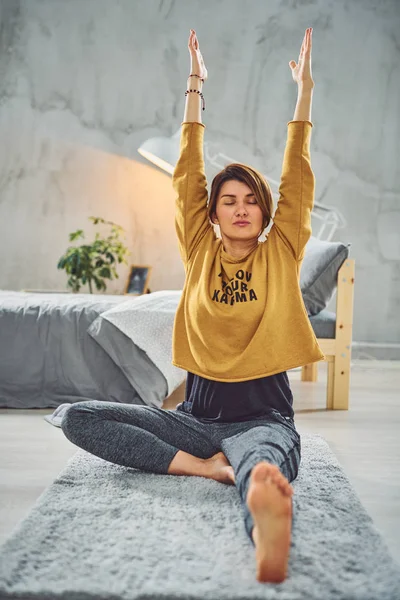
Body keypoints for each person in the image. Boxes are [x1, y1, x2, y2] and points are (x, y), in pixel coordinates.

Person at [62, 26, 322, 585]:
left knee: (263, 467)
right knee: (76, 416)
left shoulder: (282, 249)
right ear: (213, 214)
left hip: (262, 418)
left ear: (266, 210)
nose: (242, 208)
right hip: (195, 421)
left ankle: (266, 523)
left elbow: (297, 172)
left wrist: (303, 94)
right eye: (229, 200)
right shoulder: (200, 248)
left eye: (252, 200)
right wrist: (194, 85)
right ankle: (206, 469)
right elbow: (187, 173)